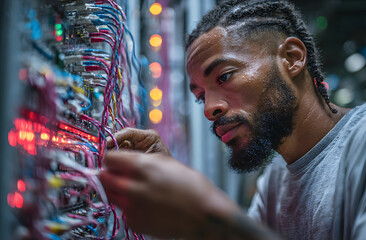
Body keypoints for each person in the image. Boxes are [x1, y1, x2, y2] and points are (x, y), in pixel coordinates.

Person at [99, 0, 366, 239]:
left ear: (291, 58)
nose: (209, 109)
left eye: (224, 77)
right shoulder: (276, 181)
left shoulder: (360, 146)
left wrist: (206, 219)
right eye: (201, 96)